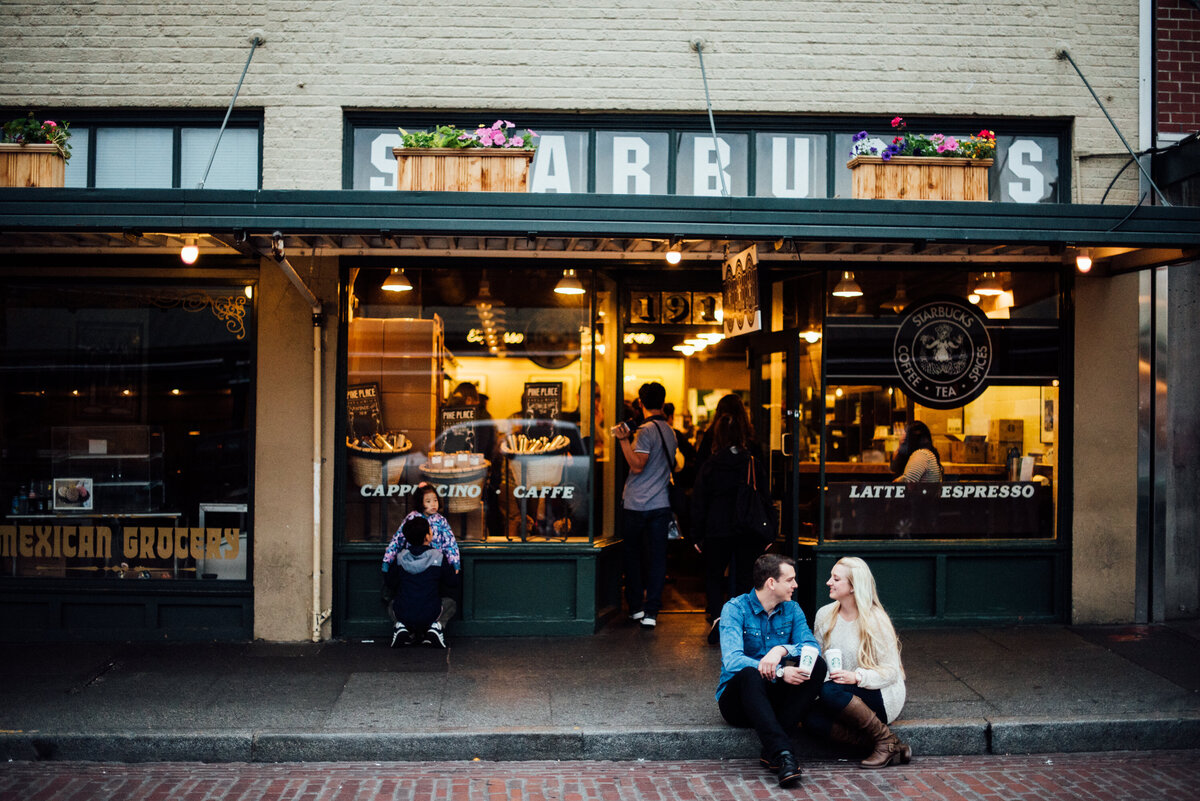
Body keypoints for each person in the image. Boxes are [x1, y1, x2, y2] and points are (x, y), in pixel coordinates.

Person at [716, 553, 826, 789]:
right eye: (790, 580)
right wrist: (778, 672)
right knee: (748, 673)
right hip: (739, 702)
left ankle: (771, 751)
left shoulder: (792, 609)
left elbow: (811, 647)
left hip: (775, 698)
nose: (795, 585)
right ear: (771, 583)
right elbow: (732, 660)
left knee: (818, 665)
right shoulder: (735, 609)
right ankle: (784, 753)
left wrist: (781, 650)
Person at [804, 557, 911, 768]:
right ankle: (889, 745)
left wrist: (856, 677)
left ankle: (884, 739)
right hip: (839, 692)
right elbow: (820, 662)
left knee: (829, 692)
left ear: (853, 587)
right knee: (809, 718)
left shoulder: (875, 619)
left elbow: (891, 672)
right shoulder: (824, 615)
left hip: (879, 692)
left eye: (836, 578)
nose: (828, 582)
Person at [691, 413, 768, 644]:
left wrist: (696, 533)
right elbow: (765, 496)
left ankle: (717, 618)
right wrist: (769, 530)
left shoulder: (711, 465)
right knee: (746, 578)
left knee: (714, 575)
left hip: (716, 528)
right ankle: (740, 622)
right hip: (747, 529)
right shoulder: (751, 462)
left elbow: (699, 501)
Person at [612, 381, 676, 629]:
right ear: (662, 402)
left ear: (640, 403)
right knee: (658, 557)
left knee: (633, 555)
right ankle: (652, 611)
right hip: (661, 503)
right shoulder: (669, 430)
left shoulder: (646, 431)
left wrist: (623, 440)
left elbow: (637, 465)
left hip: (638, 504)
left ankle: (637, 607)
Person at [383, 516, 459, 648]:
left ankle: (400, 626)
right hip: (431, 613)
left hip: (403, 612)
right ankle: (436, 626)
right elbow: (452, 582)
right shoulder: (438, 557)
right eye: (430, 531)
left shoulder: (400, 558)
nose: (432, 533)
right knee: (451, 603)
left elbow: (390, 582)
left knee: (391, 603)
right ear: (427, 537)